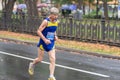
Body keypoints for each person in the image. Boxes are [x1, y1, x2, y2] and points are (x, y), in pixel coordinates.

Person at [28, 7, 59, 80]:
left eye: (57, 15)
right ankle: (32, 64)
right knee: (40, 59)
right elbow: (38, 31)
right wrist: (45, 39)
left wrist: (55, 36)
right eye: (55, 15)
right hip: (43, 42)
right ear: (51, 15)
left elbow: (53, 30)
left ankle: (51, 76)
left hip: (51, 42)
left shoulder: (56, 21)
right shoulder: (46, 21)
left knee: (53, 59)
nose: (56, 17)